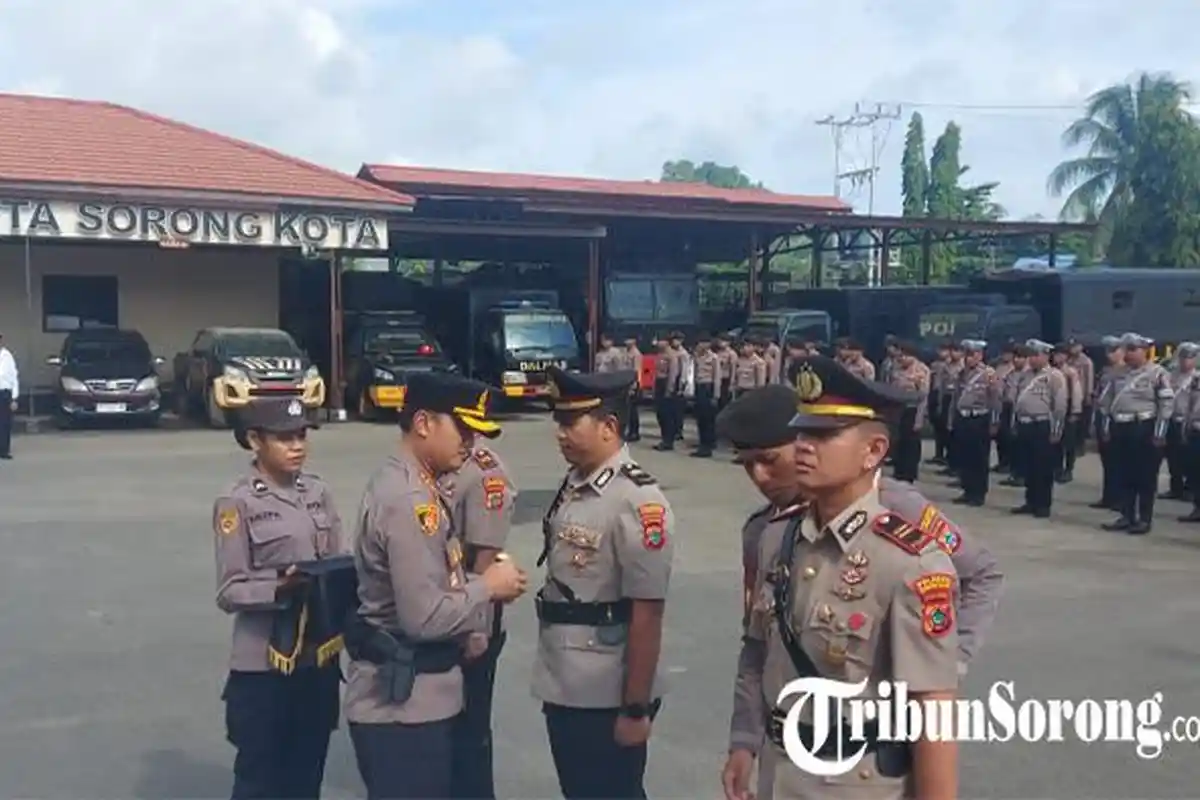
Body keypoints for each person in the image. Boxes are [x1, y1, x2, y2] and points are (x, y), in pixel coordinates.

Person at [721, 357, 961, 800]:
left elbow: (934, 712)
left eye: (825, 435)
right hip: (783, 771)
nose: (805, 447)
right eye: (804, 432)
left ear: (873, 451)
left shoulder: (909, 560)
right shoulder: (777, 537)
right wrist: (744, 742)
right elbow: (757, 650)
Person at [718, 384, 1003, 675]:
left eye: (769, 461)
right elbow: (757, 645)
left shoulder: (896, 507)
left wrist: (949, 661)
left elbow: (981, 572)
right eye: (747, 464)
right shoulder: (763, 530)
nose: (760, 477)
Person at [344, 373, 528, 799]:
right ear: (423, 423)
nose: (470, 442)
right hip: (403, 711)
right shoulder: (410, 501)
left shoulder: (415, 484)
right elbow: (423, 618)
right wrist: (488, 587)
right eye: (462, 430)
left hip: (418, 702)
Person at [535, 366, 674, 799]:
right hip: (566, 678)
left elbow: (647, 612)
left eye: (570, 422)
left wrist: (635, 706)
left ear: (609, 426)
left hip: (605, 689)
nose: (560, 433)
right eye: (558, 422)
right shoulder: (577, 483)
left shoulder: (637, 500)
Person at [213, 396, 353, 800]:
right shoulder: (238, 501)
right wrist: (281, 586)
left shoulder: (317, 491)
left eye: (302, 435)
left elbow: (337, 560)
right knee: (260, 781)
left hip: (317, 658)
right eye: (284, 438)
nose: (297, 446)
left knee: (306, 777)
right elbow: (230, 590)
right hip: (264, 667)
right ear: (255, 440)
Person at [443, 439, 519, 799]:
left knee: (468, 735)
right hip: (438, 614)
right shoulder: (436, 462)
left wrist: (475, 628)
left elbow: (485, 563)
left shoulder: (484, 471)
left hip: (471, 624)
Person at [1099, 333, 1174, 535]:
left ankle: (1144, 519)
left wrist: (1159, 433)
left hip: (1144, 427)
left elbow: (1166, 405)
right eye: (1126, 350)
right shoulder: (1117, 373)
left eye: (1133, 350)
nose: (1129, 354)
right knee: (1124, 474)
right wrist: (1105, 428)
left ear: (1144, 350)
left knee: (1145, 477)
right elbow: (1106, 403)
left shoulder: (1157, 373)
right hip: (1121, 427)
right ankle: (1127, 515)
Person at [1010, 340, 1067, 518]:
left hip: (1042, 424)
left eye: (1036, 355)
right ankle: (1030, 501)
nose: (1032, 359)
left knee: (1043, 467)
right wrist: (1015, 422)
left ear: (1045, 355)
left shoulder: (1054, 376)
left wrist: (1056, 430)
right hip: (1025, 423)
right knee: (1028, 466)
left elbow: (1059, 405)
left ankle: (1043, 505)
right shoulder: (1024, 375)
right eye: (1030, 355)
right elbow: (1017, 401)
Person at [948, 340, 1000, 507]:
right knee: (965, 456)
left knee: (979, 458)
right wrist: (952, 419)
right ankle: (967, 489)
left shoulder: (988, 374)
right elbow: (956, 397)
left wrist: (994, 421)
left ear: (980, 355)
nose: (969, 359)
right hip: (963, 418)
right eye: (967, 355)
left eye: (972, 355)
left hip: (979, 418)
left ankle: (978, 493)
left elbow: (995, 400)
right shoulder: (962, 373)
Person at [886, 340, 930, 483]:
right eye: (900, 356)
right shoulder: (895, 368)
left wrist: (919, 419)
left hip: (912, 409)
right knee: (897, 441)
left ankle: (909, 473)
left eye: (905, 356)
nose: (901, 359)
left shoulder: (921, 370)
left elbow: (923, 396)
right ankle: (899, 471)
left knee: (911, 443)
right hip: (897, 409)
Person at [1090, 335, 1126, 510]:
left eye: (1114, 351)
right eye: (1107, 351)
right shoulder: (1104, 371)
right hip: (1102, 417)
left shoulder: (1126, 372)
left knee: (1119, 461)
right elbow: (1098, 396)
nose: (1110, 355)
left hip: (1117, 419)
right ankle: (1109, 497)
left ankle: (1120, 499)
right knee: (1107, 461)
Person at [1161, 345, 1198, 501]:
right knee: (1172, 457)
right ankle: (1175, 488)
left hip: (1187, 422)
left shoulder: (1196, 378)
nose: (1185, 361)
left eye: (1189, 358)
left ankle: (1189, 488)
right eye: (1183, 357)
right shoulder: (1171, 376)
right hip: (1172, 419)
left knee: (1189, 458)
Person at [1050, 343, 1084, 483]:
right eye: (1056, 354)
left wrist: (1075, 411)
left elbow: (1076, 392)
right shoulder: (1050, 371)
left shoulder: (1070, 372)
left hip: (1068, 407)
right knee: (1055, 440)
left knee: (1068, 443)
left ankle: (1068, 469)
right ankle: (1056, 468)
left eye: (1061, 354)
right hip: (1054, 408)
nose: (1058, 357)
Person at [691, 333, 720, 458]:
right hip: (698, 387)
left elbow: (717, 377)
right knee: (700, 418)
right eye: (700, 343)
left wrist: (715, 395)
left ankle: (707, 446)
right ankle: (702, 443)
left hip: (708, 387)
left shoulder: (714, 357)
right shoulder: (696, 356)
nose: (702, 345)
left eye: (704, 342)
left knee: (708, 419)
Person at [620, 336, 643, 442]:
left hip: (633, 384)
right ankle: (629, 431)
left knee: (633, 410)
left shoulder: (636, 354)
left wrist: (634, 385)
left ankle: (634, 432)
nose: (626, 341)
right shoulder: (625, 352)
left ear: (634, 341)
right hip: (626, 382)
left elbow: (637, 371)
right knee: (627, 409)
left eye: (629, 339)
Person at [0, 330, 18, 460]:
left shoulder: (7, 356)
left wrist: (14, 398)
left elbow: (14, 377)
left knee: (5, 423)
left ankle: (4, 450)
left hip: (4, 393)